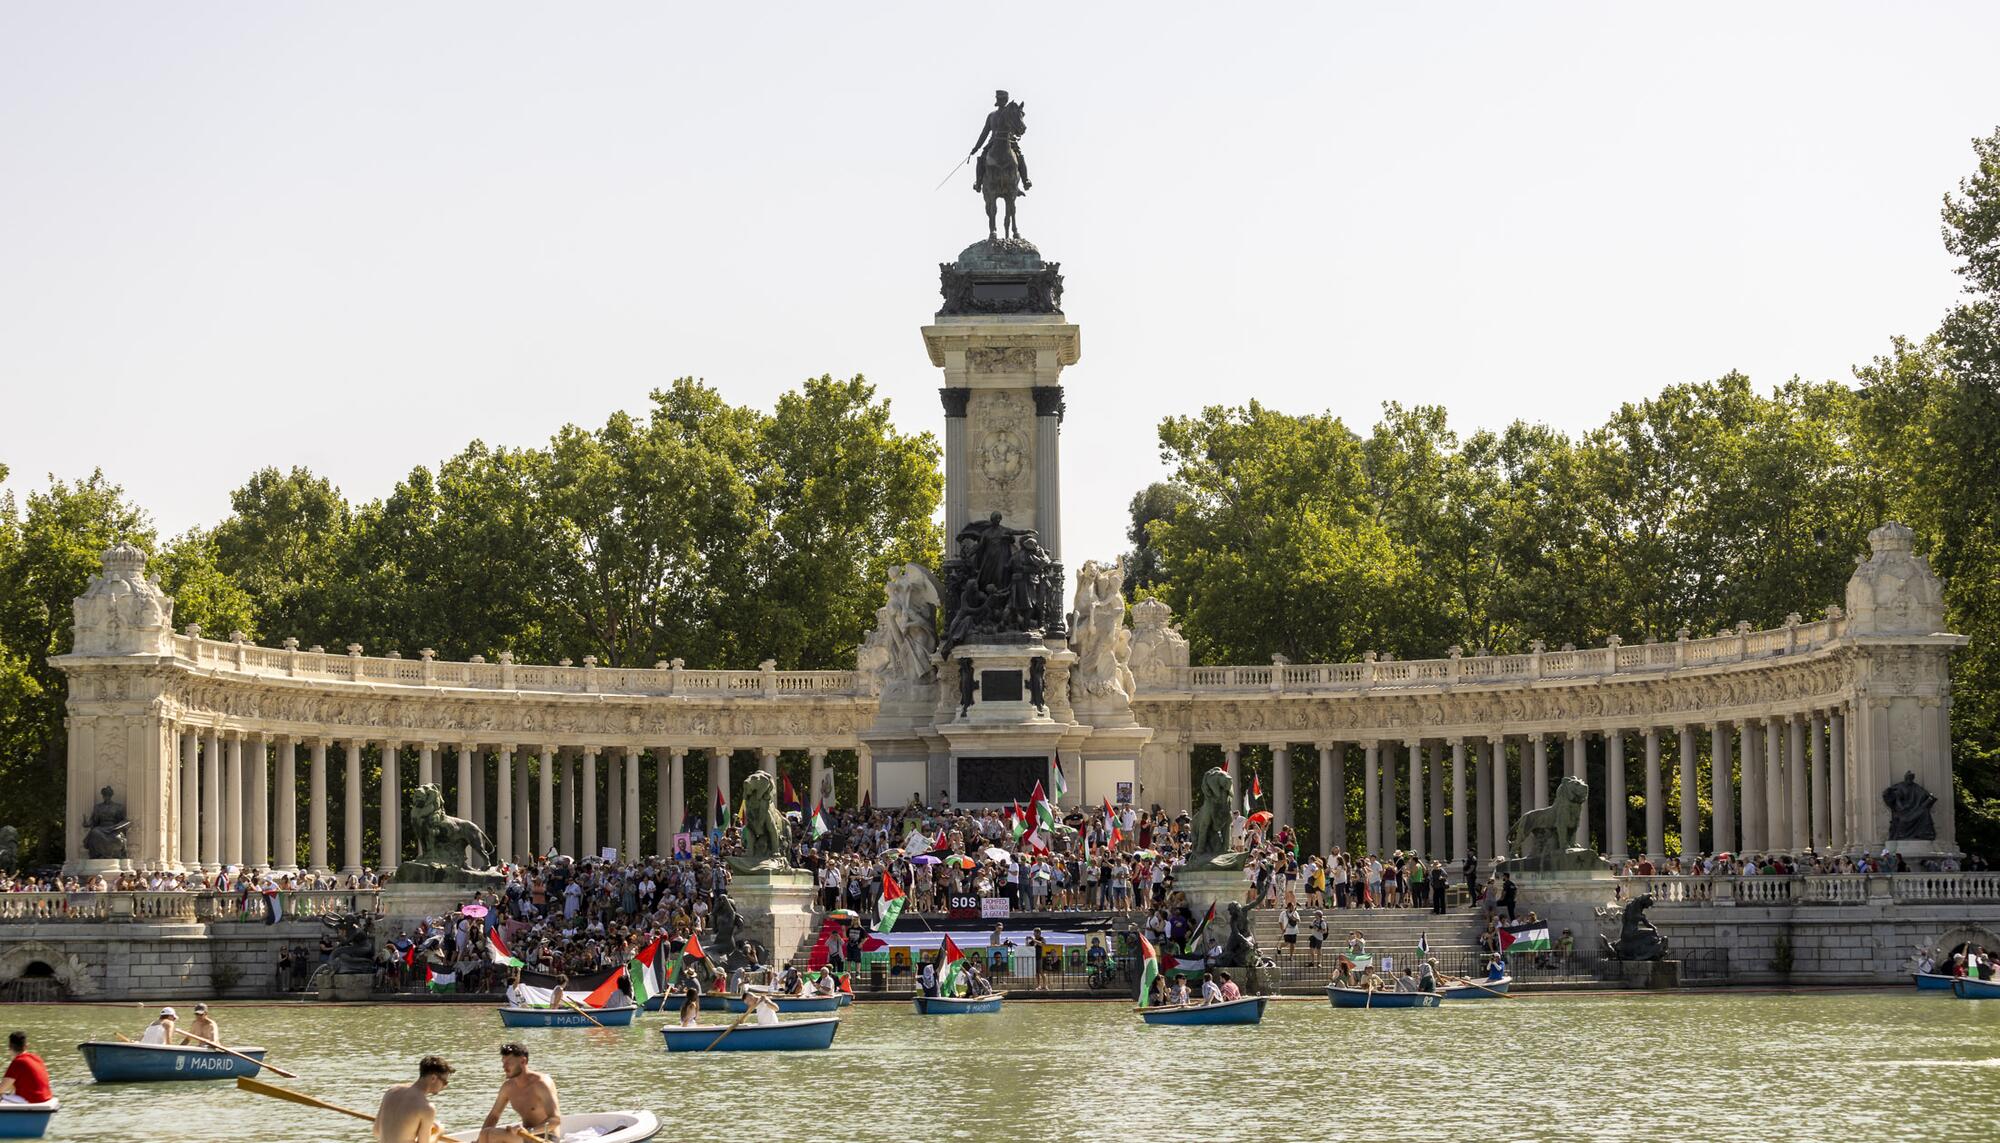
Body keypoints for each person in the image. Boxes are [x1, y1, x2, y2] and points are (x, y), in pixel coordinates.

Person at [478, 1043, 559, 1143]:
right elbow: (494, 1116)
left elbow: (555, 1120)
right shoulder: (508, 1087)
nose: (504, 1067)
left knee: (490, 1135)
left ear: (523, 1061)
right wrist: (478, 1141)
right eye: (503, 1062)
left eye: (508, 1062)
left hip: (546, 1137)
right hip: (523, 1136)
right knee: (485, 1134)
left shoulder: (541, 1084)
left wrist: (530, 1131)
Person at [374, 1055, 453, 1143]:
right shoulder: (427, 1107)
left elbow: (377, 1131)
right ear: (433, 1078)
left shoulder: (391, 1091)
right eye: (445, 1082)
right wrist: (438, 1132)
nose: (444, 1086)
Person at [0, 1033, 51, 1107]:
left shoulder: (18, 1062)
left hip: (32, 1101)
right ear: (26, 1046)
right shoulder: (37, 1059)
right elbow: (12, 1086)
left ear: (9, 1048)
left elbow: (1, 1089)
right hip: (45, 1099)